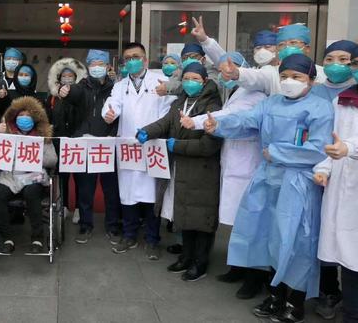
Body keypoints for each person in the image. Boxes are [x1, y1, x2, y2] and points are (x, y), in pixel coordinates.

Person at [205, 54, 334, 322]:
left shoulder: (320, 108)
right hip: (268, 179)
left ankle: (294, 303)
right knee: (268, 237)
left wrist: (275, 152)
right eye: (284, 76)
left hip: (298, 183)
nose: (289, 81)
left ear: (311, 80)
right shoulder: (271, 103)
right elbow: (247, 120)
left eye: (296, 77)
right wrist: (219, 125)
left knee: (296, 242)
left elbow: (318, 148)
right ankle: (275, 296)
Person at [180, 52, 267, 297]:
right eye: (221, 69)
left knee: (251, 225)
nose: (225, 73)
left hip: (248, 165)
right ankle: (238, 268)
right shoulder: (233, 92)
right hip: (233, 163)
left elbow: (231, 117)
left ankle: (255, 277)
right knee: (237, 224)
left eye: (231, 68)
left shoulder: (255, 94)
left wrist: (195, 122)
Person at [138, 62, 222, 281]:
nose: (190, 82)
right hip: (182, 169)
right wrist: (146, 131)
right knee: (185, 215)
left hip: (203, 171)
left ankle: (200, 263)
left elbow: (210, 145)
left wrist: (178, 146)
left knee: (201, 218)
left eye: (195, 79)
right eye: (186, 78)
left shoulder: (213, 105)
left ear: (204, 81)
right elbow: (165, 123)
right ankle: (186, 257)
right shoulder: (180, 101)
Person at [101, 43, 175, 259]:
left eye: (136, 56)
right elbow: (112, 104)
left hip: (153, 145)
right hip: (129, 146)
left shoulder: (160, 81)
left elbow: (168, 112)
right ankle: (129, 235)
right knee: (128, 193)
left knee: (152, 194)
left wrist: (154, 131)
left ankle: (152, 240)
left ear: (145, 59)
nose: (131, 61)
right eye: (128, 58)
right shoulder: (120, 85)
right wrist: (109, 113)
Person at [314, 45, 358, 323]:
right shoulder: (343, 100)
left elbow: (346, 145)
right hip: (342, 188)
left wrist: (349, 149)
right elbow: (332, 142)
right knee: (348, 258)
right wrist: (324, 168)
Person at [59, 49, 121, 245]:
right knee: (86, 189)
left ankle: (112, 226)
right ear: (88, 66)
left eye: (100, 64)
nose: (96, 67)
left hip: (109, 144)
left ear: (108, 66)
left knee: (111, 189)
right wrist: (65, 91)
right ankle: (86, 226)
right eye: (93, 64)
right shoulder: (82, 86)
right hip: (86, 144)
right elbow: (72, 93)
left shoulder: (116, 88)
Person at [0, 96, 57, 254]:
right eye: (21, 115)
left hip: (33, 177)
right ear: (15, 117)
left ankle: (37, 238)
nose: (24, 118)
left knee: (31, 193)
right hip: (11, 177)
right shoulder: (7, 134)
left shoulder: (42, 136)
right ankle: (7, 238)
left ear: (34, 118)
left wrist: (34, 157)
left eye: (28, 115)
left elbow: (53, 160)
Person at [45, 57, 87, 223]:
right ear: (59, 78)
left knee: (79, 177)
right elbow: (48, 118)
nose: (67, 79)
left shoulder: (81, 95)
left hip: (77, 141)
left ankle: (78, 208)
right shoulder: (53, 97)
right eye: (64, 76)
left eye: (70, 76)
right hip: (59, 141)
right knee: (62, 176)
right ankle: (63, 205)